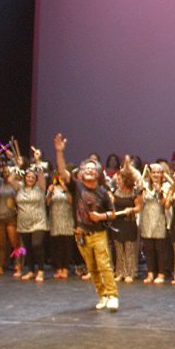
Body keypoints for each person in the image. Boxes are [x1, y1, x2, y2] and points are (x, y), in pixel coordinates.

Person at [54, 133, 119, 312]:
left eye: (93, 168)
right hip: (81, 234)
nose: (89, 170)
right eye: (86, 168)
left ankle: (112, 295)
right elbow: (62, 172)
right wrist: (59, 152)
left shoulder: (103, 192)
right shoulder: (77, 187)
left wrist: (101, 217)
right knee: (92, 268)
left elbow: (113, 214)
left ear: (98, 173)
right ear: (82, 172)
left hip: (98, 233)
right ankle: (102, 295)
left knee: (104, 265)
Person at [137, 162, 172, 284]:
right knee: (148, 247)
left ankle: (161, 273)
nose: (155, 175)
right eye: (153, 172)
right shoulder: (145, 184)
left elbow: (165, 203)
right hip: (147, 216)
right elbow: (140, 202)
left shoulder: (166, 186)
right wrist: (140, 192)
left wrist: (159, 191)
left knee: (160, 247)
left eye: (158, 172)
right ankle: (150, 272)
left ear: (162, 174)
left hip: (159, 217)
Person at [15, 156, 49, 282]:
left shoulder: (40, 188)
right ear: (24, 177)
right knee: (27, 247)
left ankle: (40, 270)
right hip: (23, 222)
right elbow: (10, 178)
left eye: (32, 177)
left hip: (38, 221)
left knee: (37, 245)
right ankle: (30, 270)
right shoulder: (19, 188)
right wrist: (18, 166)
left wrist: (37, 161)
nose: (30, 178)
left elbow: (41, 176)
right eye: (28, 177)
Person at [110, 158, 141, 284]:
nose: (117, 182)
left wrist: (131, 209)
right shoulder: (115, 192)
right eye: (117, 180)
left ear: (126, 180)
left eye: (120, 179)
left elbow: (139, 207)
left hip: (129, 222)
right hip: (118, 222)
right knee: (118, 248)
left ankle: (130, 272)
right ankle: (120, 272)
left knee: (129, 248)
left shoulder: (134, 192)